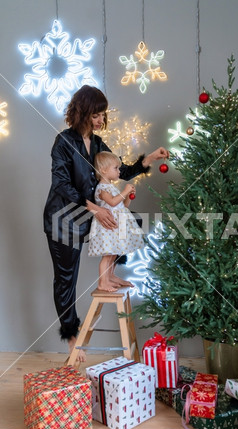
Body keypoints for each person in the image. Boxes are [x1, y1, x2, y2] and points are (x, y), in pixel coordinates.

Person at [43, 85, 169, 361]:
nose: (101, 120)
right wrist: (95, 209)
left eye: (103, 115)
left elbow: (120, 169)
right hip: (63, 218)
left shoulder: (99, 144)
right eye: (97, 114)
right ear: (84, 112)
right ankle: (72, 336)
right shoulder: (63, 142)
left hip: (91, 214)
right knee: (66, 278)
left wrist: (150, 158)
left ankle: (110, 274)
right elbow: (61, 184)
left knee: (128, 220)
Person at [88, 151, 144, 291]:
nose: (119, 171)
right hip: (107, 227)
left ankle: (110, 276)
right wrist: (124, 191)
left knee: (113, 254)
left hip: (115, 227)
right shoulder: (102, 189)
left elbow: (122, 206)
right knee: (107, 256)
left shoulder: (111, 187)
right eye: (116, 168)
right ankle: (102, 282)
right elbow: (112, 202)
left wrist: (128, 197)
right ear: (103, 170)